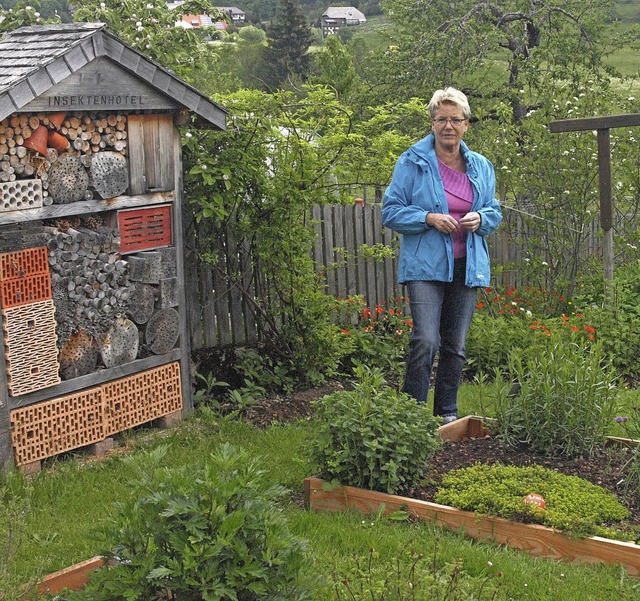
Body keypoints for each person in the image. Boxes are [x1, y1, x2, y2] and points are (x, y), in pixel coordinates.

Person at [381, 87, 503, 424]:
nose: (448, 126)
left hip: (467, 266)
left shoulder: (481, 166)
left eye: (455, 119)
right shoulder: (412, 161)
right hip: (425, 266)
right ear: (432, 123)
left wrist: (482, 219)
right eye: (441, 119)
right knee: (426, 340)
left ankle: (447, 413)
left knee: (455, 346)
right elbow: (390, 212)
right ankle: (411, 416)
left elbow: (494, 211)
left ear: (466, 124)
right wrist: (428, 218)